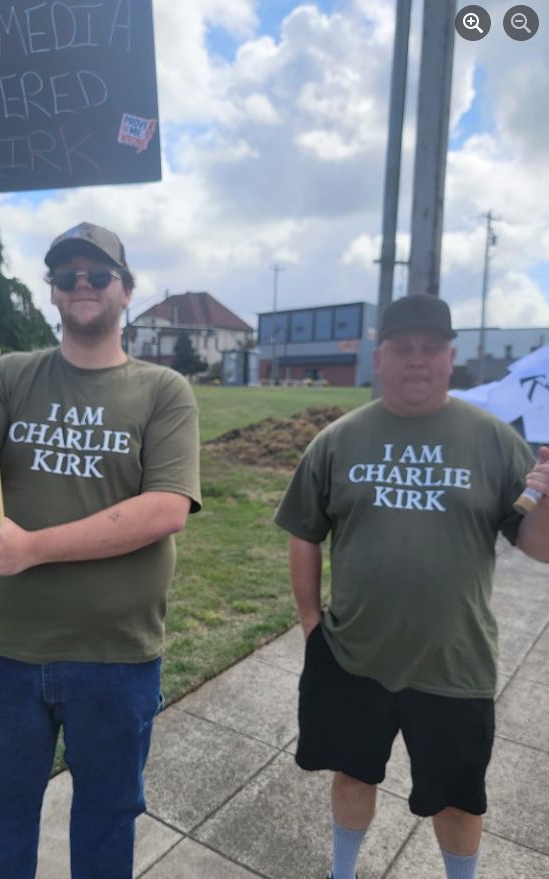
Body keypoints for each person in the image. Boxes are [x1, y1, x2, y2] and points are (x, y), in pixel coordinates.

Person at [0, 221, 201, 879]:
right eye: (66, 274)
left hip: (114, 655)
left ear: (126, 290)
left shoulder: (163, 390)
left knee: (107, 822)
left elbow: (165, 508)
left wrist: (34, 548)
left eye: (98, 274)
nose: (82, 284)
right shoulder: (12, 375)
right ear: (51, 292)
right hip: (3, 651)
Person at [274, 294, 549, 879]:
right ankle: (342, 873)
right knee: (353, 773)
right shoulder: (338, 439)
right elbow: (303, 528)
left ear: (451, 358)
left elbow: (538, 547)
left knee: (457, 796)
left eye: (431, 349)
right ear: (380, 356)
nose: (418, 360)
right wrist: (308, 621)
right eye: (403, 348)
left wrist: (548, 499)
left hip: (454, 662)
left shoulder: (494, 441)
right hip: (353, 655)